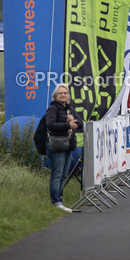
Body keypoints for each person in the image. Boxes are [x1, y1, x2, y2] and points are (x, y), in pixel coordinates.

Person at [45, 84, 82, 212]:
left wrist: (74, 122)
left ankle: (60, 200)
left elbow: (80, 123)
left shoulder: (70, 109)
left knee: (64, 175)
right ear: (56, 95)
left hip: (68, 145)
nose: (63, 95)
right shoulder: (52, 109)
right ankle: (56, 201)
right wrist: (67, 124)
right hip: (57, 144)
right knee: (57, 173)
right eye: (60, 93)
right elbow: (50, 124)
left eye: (65, 93)